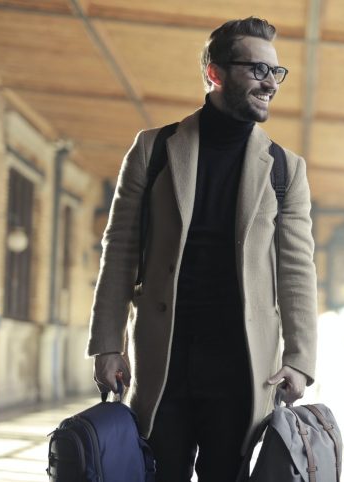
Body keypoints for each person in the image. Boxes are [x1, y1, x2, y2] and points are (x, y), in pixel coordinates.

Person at [86, 17, 318, 481]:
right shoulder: (153, 150)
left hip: (242, 364)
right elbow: (120, 248)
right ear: (215, 74)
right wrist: (108, 343)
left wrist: (299, 359)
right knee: (160, 471)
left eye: (276, 73)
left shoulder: (284, 169)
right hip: (164, 357)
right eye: (257, 70)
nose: (270, 83)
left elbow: (297, 269)